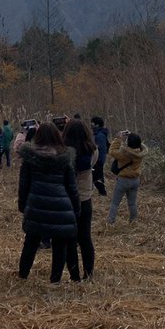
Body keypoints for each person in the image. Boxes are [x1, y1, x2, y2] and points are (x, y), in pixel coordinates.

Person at [16, 121, 81, 283]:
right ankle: (55, 280)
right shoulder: (65, 157)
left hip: (36, 203)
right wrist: (75, 209)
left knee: (31, 242)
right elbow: (72, 187)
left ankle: (23, 275)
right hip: (61, 205)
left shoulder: (29, 157)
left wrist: (23, 205)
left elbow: (23, 184)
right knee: (59, 245)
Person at [64, 118, 97, 279]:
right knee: (85, 238)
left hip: (67, 200)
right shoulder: (92, 150)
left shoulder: (62, 151)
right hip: (85, 199)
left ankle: (74, 275)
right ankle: (89, 273)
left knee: (69, 239)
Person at [108, 131, 148, 224]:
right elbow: (138, 144)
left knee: (115, 203)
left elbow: (112, 151)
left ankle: (110, 221)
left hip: (123, 180)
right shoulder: (141, 153)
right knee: (132, 203)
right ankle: (133, 220)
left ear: (129, 143)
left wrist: (118, 139)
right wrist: (133, 136)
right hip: (135, 180)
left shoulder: (124, 153)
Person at [91, 116, 110, 196]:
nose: (91, 125)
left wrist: (97, 160)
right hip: (98, 160)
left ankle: (102, 193)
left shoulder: (100, 136)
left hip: (98, 160)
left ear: (97, 125)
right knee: (98, 176)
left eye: (92, 123)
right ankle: (102, 193)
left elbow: (100, 149)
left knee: (96, 177)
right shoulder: (100, 134)